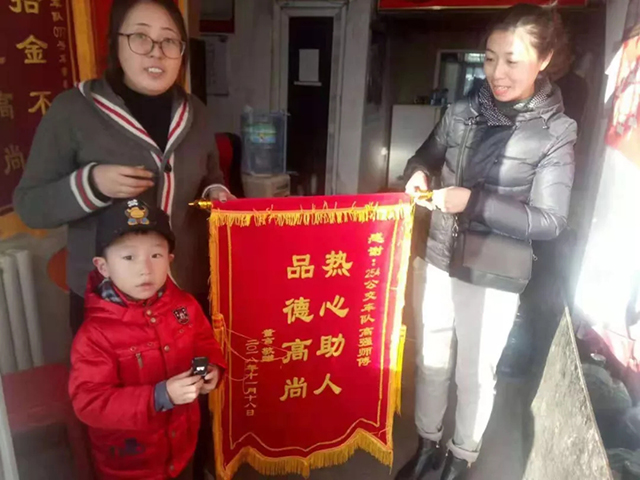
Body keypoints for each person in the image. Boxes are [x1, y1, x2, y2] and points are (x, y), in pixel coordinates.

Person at [396, 5, 577, 480]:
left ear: (544, 59)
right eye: (491, 58)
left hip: (494, 270)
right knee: (431, 361)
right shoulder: (461, 111)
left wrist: (472, 202)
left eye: (512, 60)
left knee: (475, 373)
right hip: (438, 256)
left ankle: (461, 456)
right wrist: (416, 173)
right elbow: (424, 156)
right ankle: (428, 445)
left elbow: (550, 220)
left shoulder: (556, 132)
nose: (497, 72)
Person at [13, 0, 232, 335]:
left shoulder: (196, 112)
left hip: (186, 290)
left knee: (192, 369)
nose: (156, 52)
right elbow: (30, 206)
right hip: (108, 304)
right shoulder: (73, 111)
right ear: (115, 43)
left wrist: (215, 192)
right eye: (140, 37)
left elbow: (211, 175)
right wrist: (92, 184)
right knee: (110, 372)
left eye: (169, 40)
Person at [69, 198, 226, 480]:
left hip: (183, 446)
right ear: (103, 267)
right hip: (131, 465)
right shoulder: (95, 335)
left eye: (155, 255)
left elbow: (204, 343)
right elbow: (90, 402)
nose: (145, 268)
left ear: (170, 259)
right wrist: (160, 396)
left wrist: (212, 368)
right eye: (129, 257)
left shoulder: (184, 306)